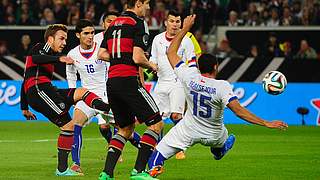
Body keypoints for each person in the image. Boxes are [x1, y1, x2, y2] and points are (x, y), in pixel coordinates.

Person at [148, 15, 288, 178]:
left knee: (157, 155)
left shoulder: (189, 75)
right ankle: (220, 150)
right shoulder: (222, 86)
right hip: (214, 134)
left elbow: (171, 51)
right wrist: (266, 123)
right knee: (223, 139)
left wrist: (185, 28)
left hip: (188, 130)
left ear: (199, 67)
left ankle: (154, 169)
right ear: (216, 67)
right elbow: (239, 111)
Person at [19, 24, 111, 176]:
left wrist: (24, 107)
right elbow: (36, 58)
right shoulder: (40, 47)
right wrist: (60, 58)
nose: (64, 43)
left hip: (48, 89)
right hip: (39, 91)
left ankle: (107, 108)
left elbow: (24, 80)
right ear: (50, 39)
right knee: (69, 126)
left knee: (82, 92)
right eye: (61, 39)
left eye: (66, 39)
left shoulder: (46, 57)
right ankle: (62, 170)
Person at [98, 0, 163, 179]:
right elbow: (137, 57)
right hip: (129, 80)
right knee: (156, 124)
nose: (149, 8)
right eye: (147, 3)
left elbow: (101, 54)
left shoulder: (113, 25)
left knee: (125, 129)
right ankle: (139, 171)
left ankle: (106, 173)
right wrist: (152, 65)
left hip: (112, 82)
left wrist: (119, 57)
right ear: (138, 3)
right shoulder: (139, 23)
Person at [66, 19, 140, 173]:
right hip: (86, 95)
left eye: (92, 33)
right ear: (78, 35)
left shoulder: (102, 50)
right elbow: (71, 74)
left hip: (106, 94)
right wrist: (73, 94)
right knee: (75, 124)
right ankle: (76, 164)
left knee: (126, 130)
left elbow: (113, 69)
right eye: (86, 33)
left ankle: (149, 149)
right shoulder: (72, 54)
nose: (90, 36)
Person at [150, 9, 196, 160]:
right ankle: (160, 145)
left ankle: (179, 147)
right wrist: (151, 66)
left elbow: (192, 63)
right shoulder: (157, 39)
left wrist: (191, 81)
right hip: (161, 83)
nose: (175, 25)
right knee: (157, 119)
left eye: (178, 22)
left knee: (176, 115)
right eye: (172, 21)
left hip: (178, 83)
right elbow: (153, 59)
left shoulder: (187, 41)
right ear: (165, 23)